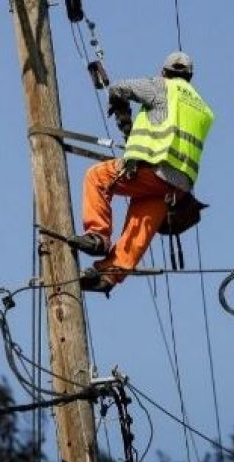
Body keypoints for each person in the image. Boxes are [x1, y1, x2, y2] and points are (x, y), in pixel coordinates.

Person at [71, 51, 214, 294]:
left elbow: (120, 88)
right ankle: (108, 276)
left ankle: (97, 236)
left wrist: (120, 107)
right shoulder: (202, 107)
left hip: (154, 171)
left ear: (164, 72)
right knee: (140, 225)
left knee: (97, 177)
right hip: (177, 187)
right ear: (190, 77)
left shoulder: (162, 86)